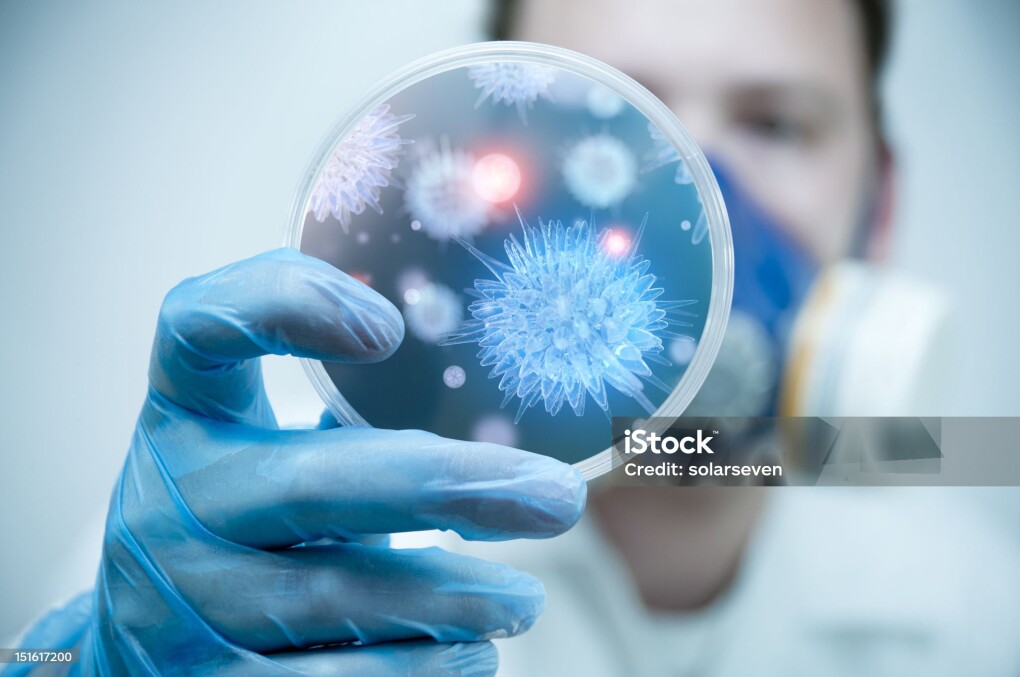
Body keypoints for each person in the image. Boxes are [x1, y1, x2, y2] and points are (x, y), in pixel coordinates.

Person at [8, 1, 1020, 676]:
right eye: (619, 120)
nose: (700, 198)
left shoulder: (979, 610)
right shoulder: (247, 545)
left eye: (778, 124)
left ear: (879, 207)